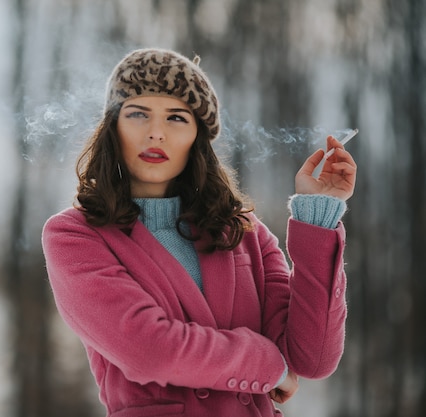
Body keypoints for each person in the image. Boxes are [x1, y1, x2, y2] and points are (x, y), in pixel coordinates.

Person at [42, 48, 357, 417]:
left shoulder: (242, 231)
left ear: (197, 137)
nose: (155, 132)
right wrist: (266, 365)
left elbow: (312, 358)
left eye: (176, 118)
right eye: (137, 114)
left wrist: (318, 217)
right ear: (113, 129)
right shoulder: (75, 236)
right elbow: (149, 350)